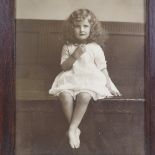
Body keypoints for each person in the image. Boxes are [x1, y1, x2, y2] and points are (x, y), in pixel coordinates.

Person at [49, 8, 121, 149]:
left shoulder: (95, 47)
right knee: (64, 96)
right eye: (77, 26)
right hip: (71, 78)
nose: (81, 30)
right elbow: (64, 67)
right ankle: (75, 129)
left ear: (91, 28)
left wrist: (110, 86)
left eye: (85, 26)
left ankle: (71, 129)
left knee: (85, 95)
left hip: (89, 80)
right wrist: (75, 55)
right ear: (71, 28)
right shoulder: (68, 46)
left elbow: (102, 68)